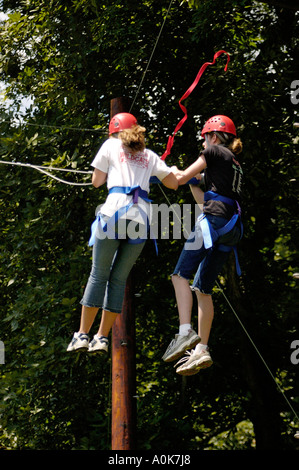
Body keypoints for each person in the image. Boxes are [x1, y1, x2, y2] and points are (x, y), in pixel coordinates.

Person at [67, 112, 178, 354]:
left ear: (114, 131)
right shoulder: (149, 155)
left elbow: (97, 181)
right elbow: (173, 184)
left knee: (98, 274)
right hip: (142, 219)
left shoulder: (110, 145)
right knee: (117, 280)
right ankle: (102, 338)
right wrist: (170, 171)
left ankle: (82, 335)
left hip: (115, 211)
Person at [162, 115, 243, 375]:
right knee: (202, 288)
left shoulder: (213, 151)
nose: (204, 142)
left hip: (214, 222)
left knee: (179, 275)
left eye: (205, 137)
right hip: (230, 229)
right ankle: (202, 349)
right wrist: (193, 182)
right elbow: (202, 199)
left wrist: (173, 173)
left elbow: (182, 177)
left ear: (213, 137)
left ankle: (185, 331)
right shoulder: (232, 162)